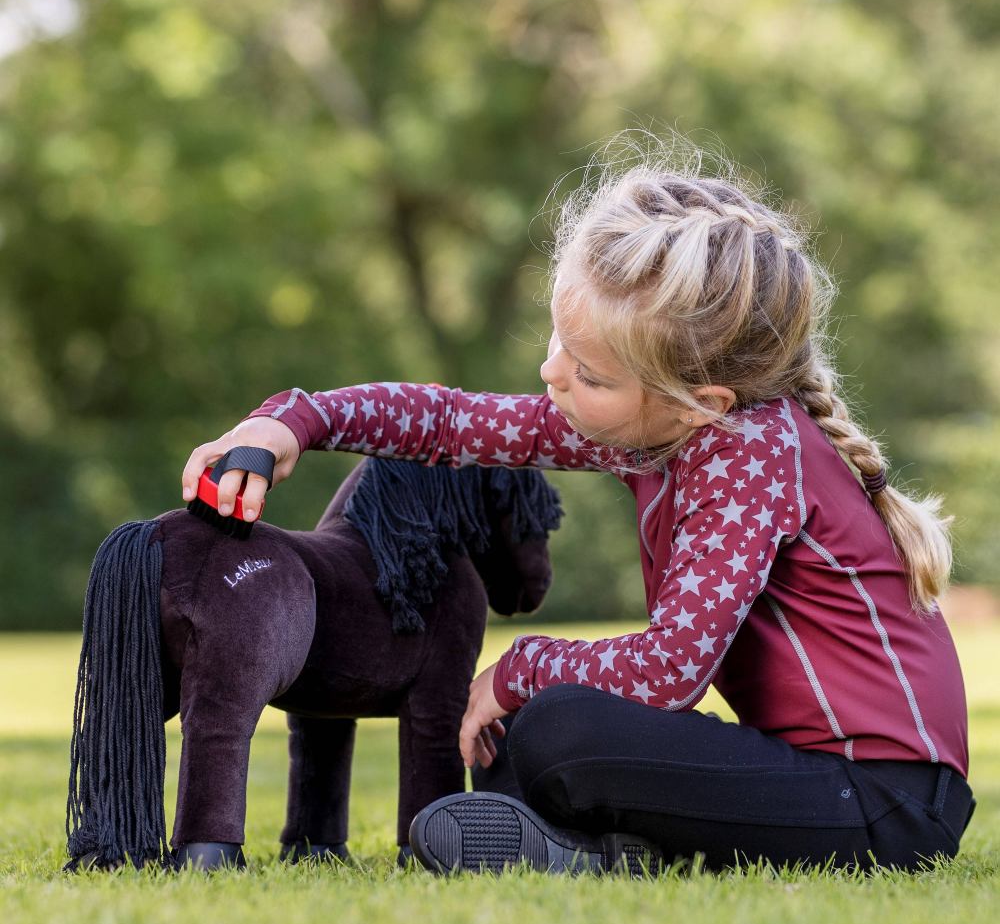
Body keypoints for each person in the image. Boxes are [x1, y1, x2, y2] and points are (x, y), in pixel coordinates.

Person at [180, 134, 976, 878]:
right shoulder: (661, 427)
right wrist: (292, 421)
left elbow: (669, 673)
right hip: (809, 778)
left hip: (889, 804)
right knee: (515, 738)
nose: (551, 372)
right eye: (560, 342)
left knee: (560, 726)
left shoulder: (749, 452)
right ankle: (596, 847)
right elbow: (455, 423)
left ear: (702, 399)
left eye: (590, 375)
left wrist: (520, 667)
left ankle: (592, 843)